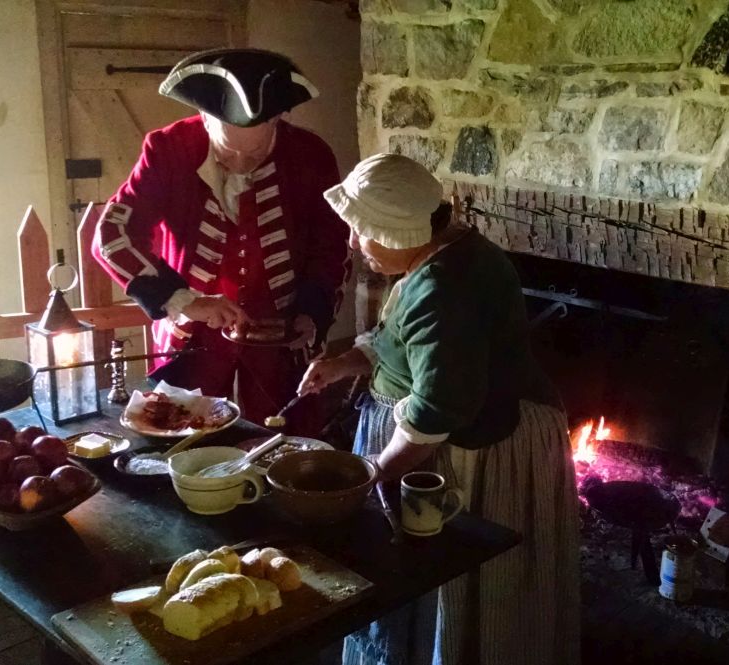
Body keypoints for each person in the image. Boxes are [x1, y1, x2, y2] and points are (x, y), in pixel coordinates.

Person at [299, 153, 580, 665]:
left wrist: (377, 472)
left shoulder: (441, 287)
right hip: (468, 426)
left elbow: (437, 406)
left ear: (401, 231)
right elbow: (401, 341)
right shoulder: (449, 247)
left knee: (451, 570)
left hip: (474, 449)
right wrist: (345, 364)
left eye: (364, 232)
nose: (355, 243)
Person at [91, 48, 350, 432]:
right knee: (179, 439)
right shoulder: (168, 149)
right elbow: (112, 233)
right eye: (230, 153)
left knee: (285, 442)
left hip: (281, 336)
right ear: (206, 121)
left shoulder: (312, 156)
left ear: (279, 118)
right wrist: (184, 299)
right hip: (191, 334)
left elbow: (332, 243)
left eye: (258, 151)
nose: (243, 165)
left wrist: (312, 312)